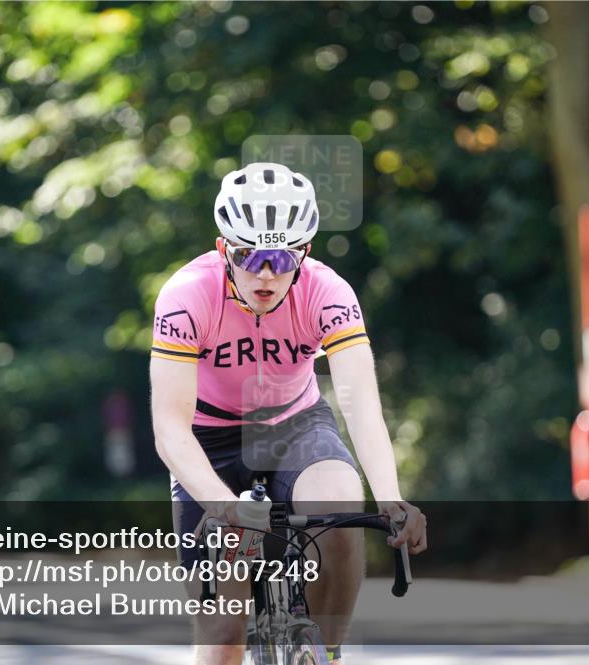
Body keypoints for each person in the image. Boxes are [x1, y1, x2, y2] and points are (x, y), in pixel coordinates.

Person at [150, 162, 427, 665]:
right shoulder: (186, 295)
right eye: (247, 254)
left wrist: (390, 498)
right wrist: (220, 503)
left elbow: (360, 402)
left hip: (295, 426)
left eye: (280, 257)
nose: (264, 272)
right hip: (208, 441)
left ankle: (327, 652)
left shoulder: (328, 291)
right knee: (222, 635)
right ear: (222, 250)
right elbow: (169, 427)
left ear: (304, 253)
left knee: (341, 508)